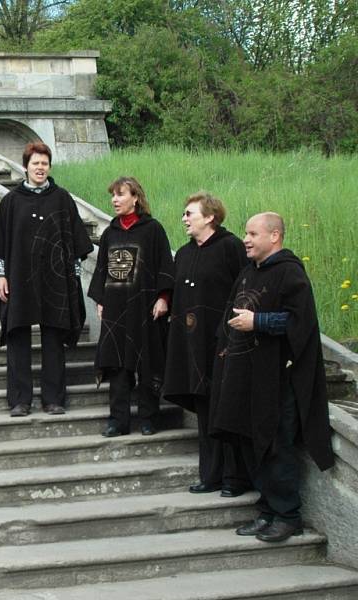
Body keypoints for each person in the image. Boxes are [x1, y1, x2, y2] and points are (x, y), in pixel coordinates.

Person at [210, 212, 334, 543]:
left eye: (252, 233)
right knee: (253, 444)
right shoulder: (250, 272)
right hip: (245, 376)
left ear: (274, 236)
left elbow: (300, 322)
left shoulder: (290, 272)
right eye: (245, 233)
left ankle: (287, 515)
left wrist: (259, 322)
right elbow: (231, 314)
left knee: (276, 445)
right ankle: (267, 512)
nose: (245, 239)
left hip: (278, 380)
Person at [0, 143, 94, 417]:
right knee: (18, 336)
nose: (40, 168)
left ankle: (53, 399)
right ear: (26, 166)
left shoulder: (62, 199)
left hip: (55, 281)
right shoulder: (11, 201)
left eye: (44, 163)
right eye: (35, 163)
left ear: (50, 166)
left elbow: (76, 245)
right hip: (19, 279)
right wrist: (0, 275)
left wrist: (74, 280)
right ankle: (20, 400)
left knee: (54, 338)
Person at [163, 192, 251, 496]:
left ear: (210, 216)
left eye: (190, 213)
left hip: (225, 345)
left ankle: (235, 478)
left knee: (226, 411)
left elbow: (244, 291)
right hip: (192, 348)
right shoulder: (184, 254)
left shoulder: (230, 247)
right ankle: (210, 475)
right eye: (184, 214)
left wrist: (231, 338)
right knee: (205, 413)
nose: (185, 219)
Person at [88, 176, 174, 437]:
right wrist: (101, 301)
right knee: (117, 366)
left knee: (147, 363)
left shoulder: (153, 230)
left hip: (145, 308)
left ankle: (148, 418)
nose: (114, 200)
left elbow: (165, 267)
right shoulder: (110, 233)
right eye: (112, 195)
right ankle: (118, 421)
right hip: (115, 309)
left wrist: (164, 298)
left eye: (120, 194)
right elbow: (102, 269)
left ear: (135, 198)